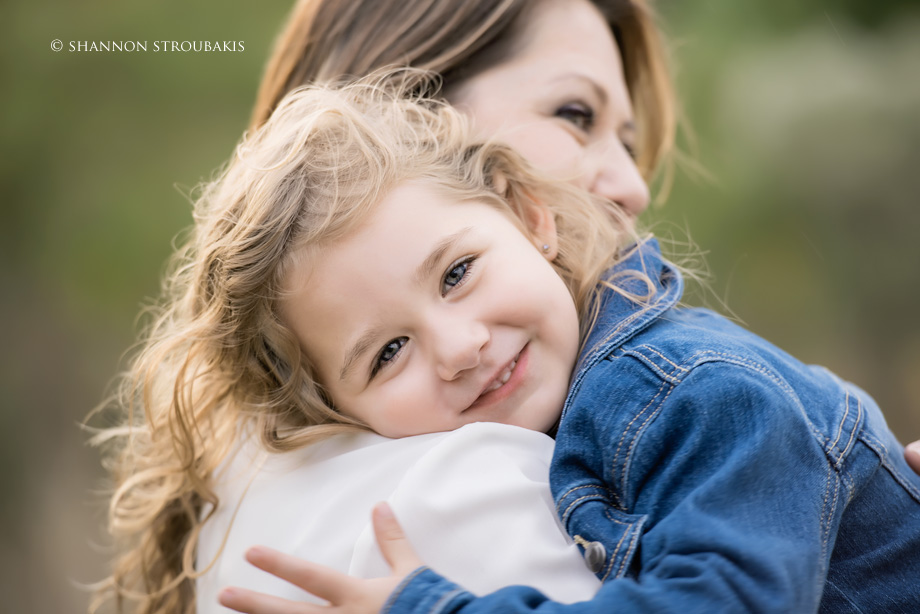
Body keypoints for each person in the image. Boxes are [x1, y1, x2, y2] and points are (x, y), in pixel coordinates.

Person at [202, 79, 920, 613]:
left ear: (529, 217)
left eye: (457, 273)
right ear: (337, 407)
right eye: (388, 353)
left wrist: (430, 607)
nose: (458, 347)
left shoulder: (691, 392)